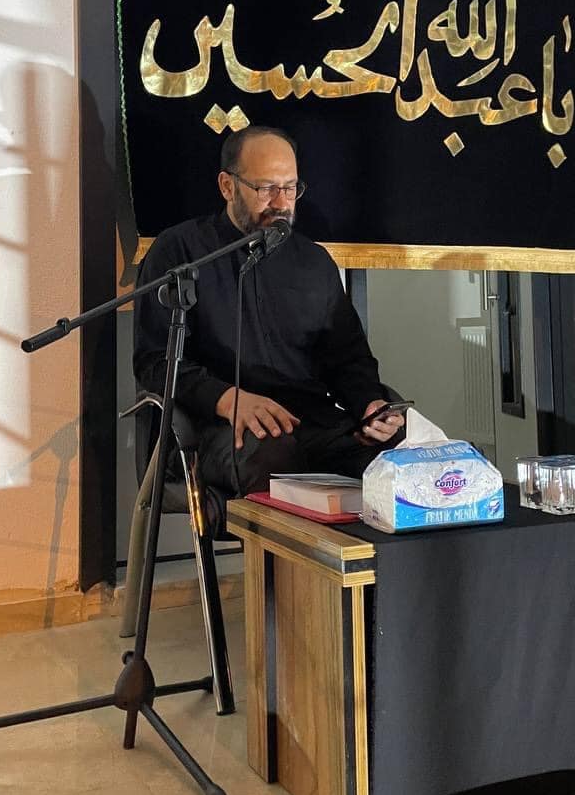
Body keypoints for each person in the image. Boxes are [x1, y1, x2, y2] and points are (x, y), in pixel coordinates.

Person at [132, 125, 406, 513]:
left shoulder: (313, 262)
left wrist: (369, 406)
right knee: (274, 455)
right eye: (266, 188)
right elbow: (154, 361)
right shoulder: (182, 251)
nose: (281, 203)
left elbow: (348, 359)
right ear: (228, 186)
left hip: (311, 424)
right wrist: (228, 399)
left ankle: (365, 557)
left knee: (402, 457)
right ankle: (282, 558)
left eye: (290, 188)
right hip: (221, 429)